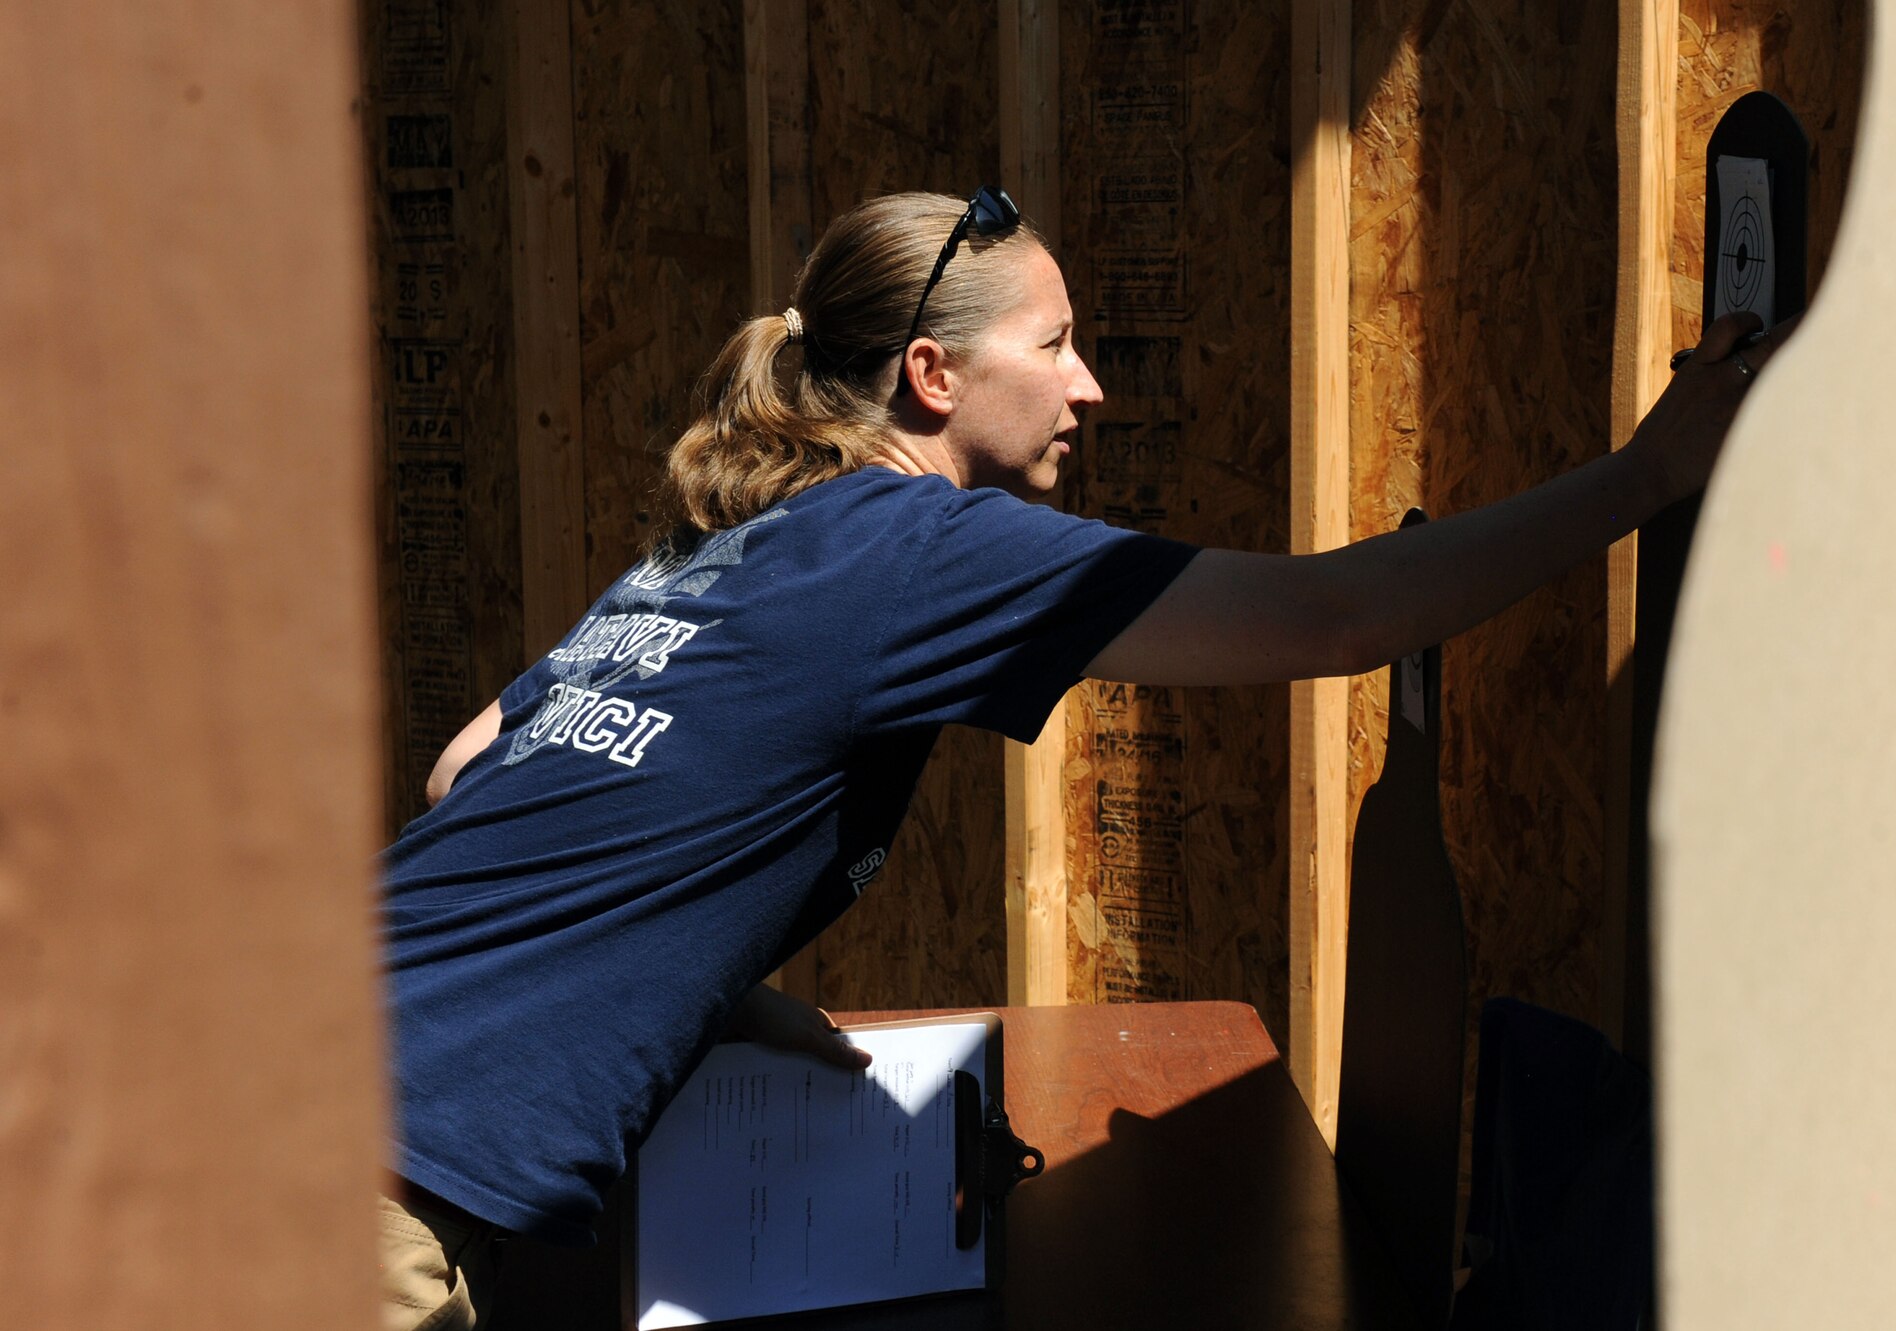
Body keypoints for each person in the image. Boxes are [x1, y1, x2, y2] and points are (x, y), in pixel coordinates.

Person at [375, 188, 1785, 1328]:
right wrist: (1646, 478)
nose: (1089, 383)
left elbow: (465, 773)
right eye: (1051, 344)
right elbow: (1339, 613)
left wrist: (716, 1011)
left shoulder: (717, 556)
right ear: (933, 375)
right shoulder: (919, 547)